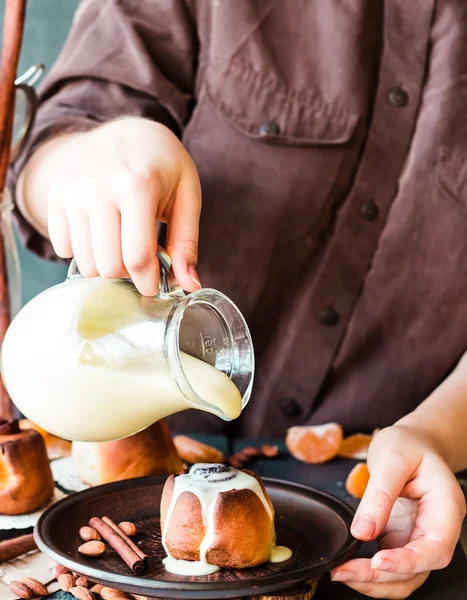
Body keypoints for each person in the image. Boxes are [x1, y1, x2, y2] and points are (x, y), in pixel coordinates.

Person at [8, 1, 467, 597]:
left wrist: (436, 433)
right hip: (143, 473)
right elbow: (48, 151)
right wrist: (85, 159)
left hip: (396, 494)